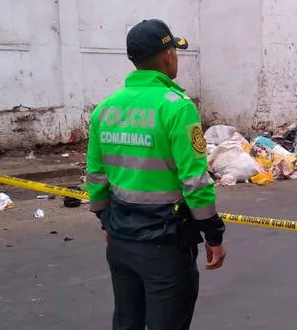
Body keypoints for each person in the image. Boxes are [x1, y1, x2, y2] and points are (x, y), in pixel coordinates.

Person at [85, 18, 226, 330]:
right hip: (165, 244)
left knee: (127, 322)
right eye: (175, 50)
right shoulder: (177, 107)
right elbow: (195, 182)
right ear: (167, 56)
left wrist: (105, 220)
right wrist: (214, 235)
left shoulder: (104, 109)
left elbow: (95, 176)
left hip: (120, 239)